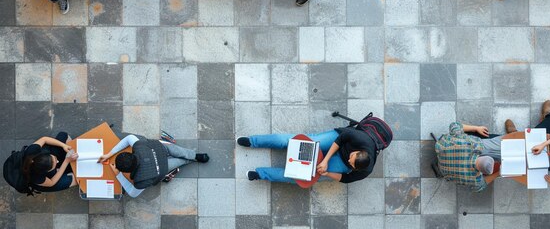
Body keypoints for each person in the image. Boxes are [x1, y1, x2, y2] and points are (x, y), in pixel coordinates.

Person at [436, 100, 550, 191]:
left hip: (445, 154)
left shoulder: (467, 145)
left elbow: (454, 126)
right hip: (447, 164)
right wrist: (497, 174)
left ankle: (516, 133)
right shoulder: (473, 145)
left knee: (506, 145)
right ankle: (516, 133)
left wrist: (476, 129)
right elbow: (479, 187)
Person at [237, 126, 376, 184]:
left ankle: (261, 174)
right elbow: (341, 139)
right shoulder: (362, 139)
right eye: (352, 157)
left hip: (340, 162)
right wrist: (326, 160)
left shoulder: (365, 172)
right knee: (294, 141)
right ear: (358, 151)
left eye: (352, 164)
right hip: (339, 140)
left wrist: (326, 173)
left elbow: (345, 179)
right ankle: (253, 141)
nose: (349, 160)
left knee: (305, 176)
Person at [97, 134, 209, 197]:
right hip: (160, 148)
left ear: (127, 171)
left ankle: (191, 159)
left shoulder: (140, 180)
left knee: (180, 161)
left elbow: (132, 193)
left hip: (163, 167)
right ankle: (195, 156)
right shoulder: (138, 145)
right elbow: (128, 138)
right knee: (179, 151)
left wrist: (118, 175)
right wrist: (110, 153)